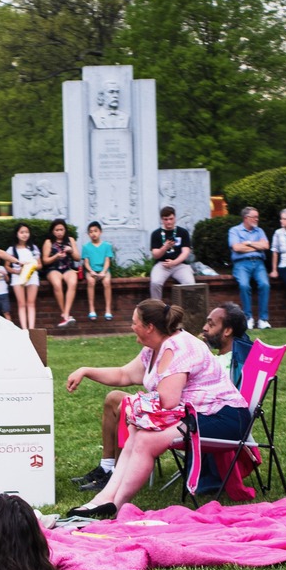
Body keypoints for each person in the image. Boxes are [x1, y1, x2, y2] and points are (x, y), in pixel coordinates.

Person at [64, 299, 248, 520]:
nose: (132, 327)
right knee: (135, 432)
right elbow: (124, 374)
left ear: (149, 326)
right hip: (194, 414)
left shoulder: (180, 347)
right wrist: (85, 370)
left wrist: (135, 404)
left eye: (135, 323)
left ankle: (116, 504)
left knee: (146, 439)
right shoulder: (154, 348)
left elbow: (168, 400)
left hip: (224, 417)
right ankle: (104, 500)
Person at [228, 206, 272, 330]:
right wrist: (257, 247)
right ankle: (248, 318)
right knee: (244, 285)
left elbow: (266, 245)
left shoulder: (259, 231)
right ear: (246, 218)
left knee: (265, 285)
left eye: (257, 217)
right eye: (254, 217)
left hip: (258, 263)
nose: (257, 219)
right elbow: (236, 248)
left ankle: (263, 320)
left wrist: (249, 243)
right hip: (241, 264)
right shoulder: (234, 230)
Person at [148, 206, 194, 301]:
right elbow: (155, 254)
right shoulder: (156, 234)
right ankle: (156, 309)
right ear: (162, 220)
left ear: (175, 218)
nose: (168, 222)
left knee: (189, 283)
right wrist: (165, 247)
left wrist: (174, 262)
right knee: (155, 283)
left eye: (171, 219)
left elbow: (186, 252)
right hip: (162, 264)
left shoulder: (183, 232)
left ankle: (189, 311)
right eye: (166, 219)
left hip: (180, 265)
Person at [201, 302, 252, 387]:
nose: (205, 328)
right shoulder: (237, 359)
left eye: (211, 325)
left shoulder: (225, 366)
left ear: (227, 331)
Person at [42, 218, 80, 327]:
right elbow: (45, 260)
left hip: (68, 268)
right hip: (53, 269)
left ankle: (66, 314)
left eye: (61, 230)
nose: (59, 232)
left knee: (73, 282)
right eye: (56, 230)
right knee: (57, 284)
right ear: (52, 231)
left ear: (65, 230)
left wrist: (71, 251)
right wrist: (56, 256)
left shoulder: (70, 240)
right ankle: (66, 316)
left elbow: (77, 258)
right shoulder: (48, 242)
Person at [7, 223, 41, 330]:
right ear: (17, 234)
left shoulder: (33, 248)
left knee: (31, 303)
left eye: (26, 232)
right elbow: (7, 267)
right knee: (21, 303)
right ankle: (24, 329)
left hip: (32, 276)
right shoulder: (11, 250)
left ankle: (31, 329)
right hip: (18, 277)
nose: (24, 235)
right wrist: (17, 271)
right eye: (22, 232)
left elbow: (40, 265)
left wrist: (30, 267)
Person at [80, 220, 115, 322]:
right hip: (91, 271)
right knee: (91, 282)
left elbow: (107, 261)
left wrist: (103, 272)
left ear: (100, 232)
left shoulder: (107, 246)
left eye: (95, 231)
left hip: (104, 270)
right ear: (88, 234)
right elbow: (86, 262)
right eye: (91, 232)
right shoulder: (86, 247)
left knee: (107, 282)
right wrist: (91, 271)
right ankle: (91, 309)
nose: (93, 234)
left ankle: (108, 309)